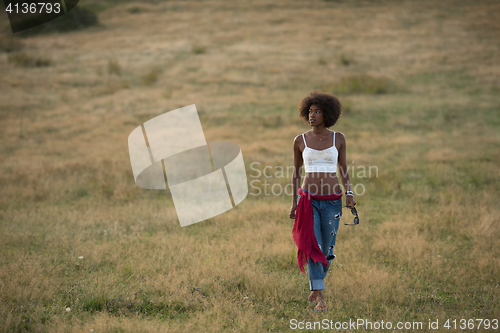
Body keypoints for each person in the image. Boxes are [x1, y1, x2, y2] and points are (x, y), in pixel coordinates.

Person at [289, 90, 356, 311]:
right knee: (312, 246)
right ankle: (320, 297)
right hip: (308, 200)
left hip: (332, 200)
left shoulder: (338, 138)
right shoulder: (300, 140)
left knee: (327, 250)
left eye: (317, 111)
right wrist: (294, 203)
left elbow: (343, 169)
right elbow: (296, 173)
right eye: (310, 111)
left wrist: (349, 193)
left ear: (327, 114)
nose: (312, 115)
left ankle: (316, 286)